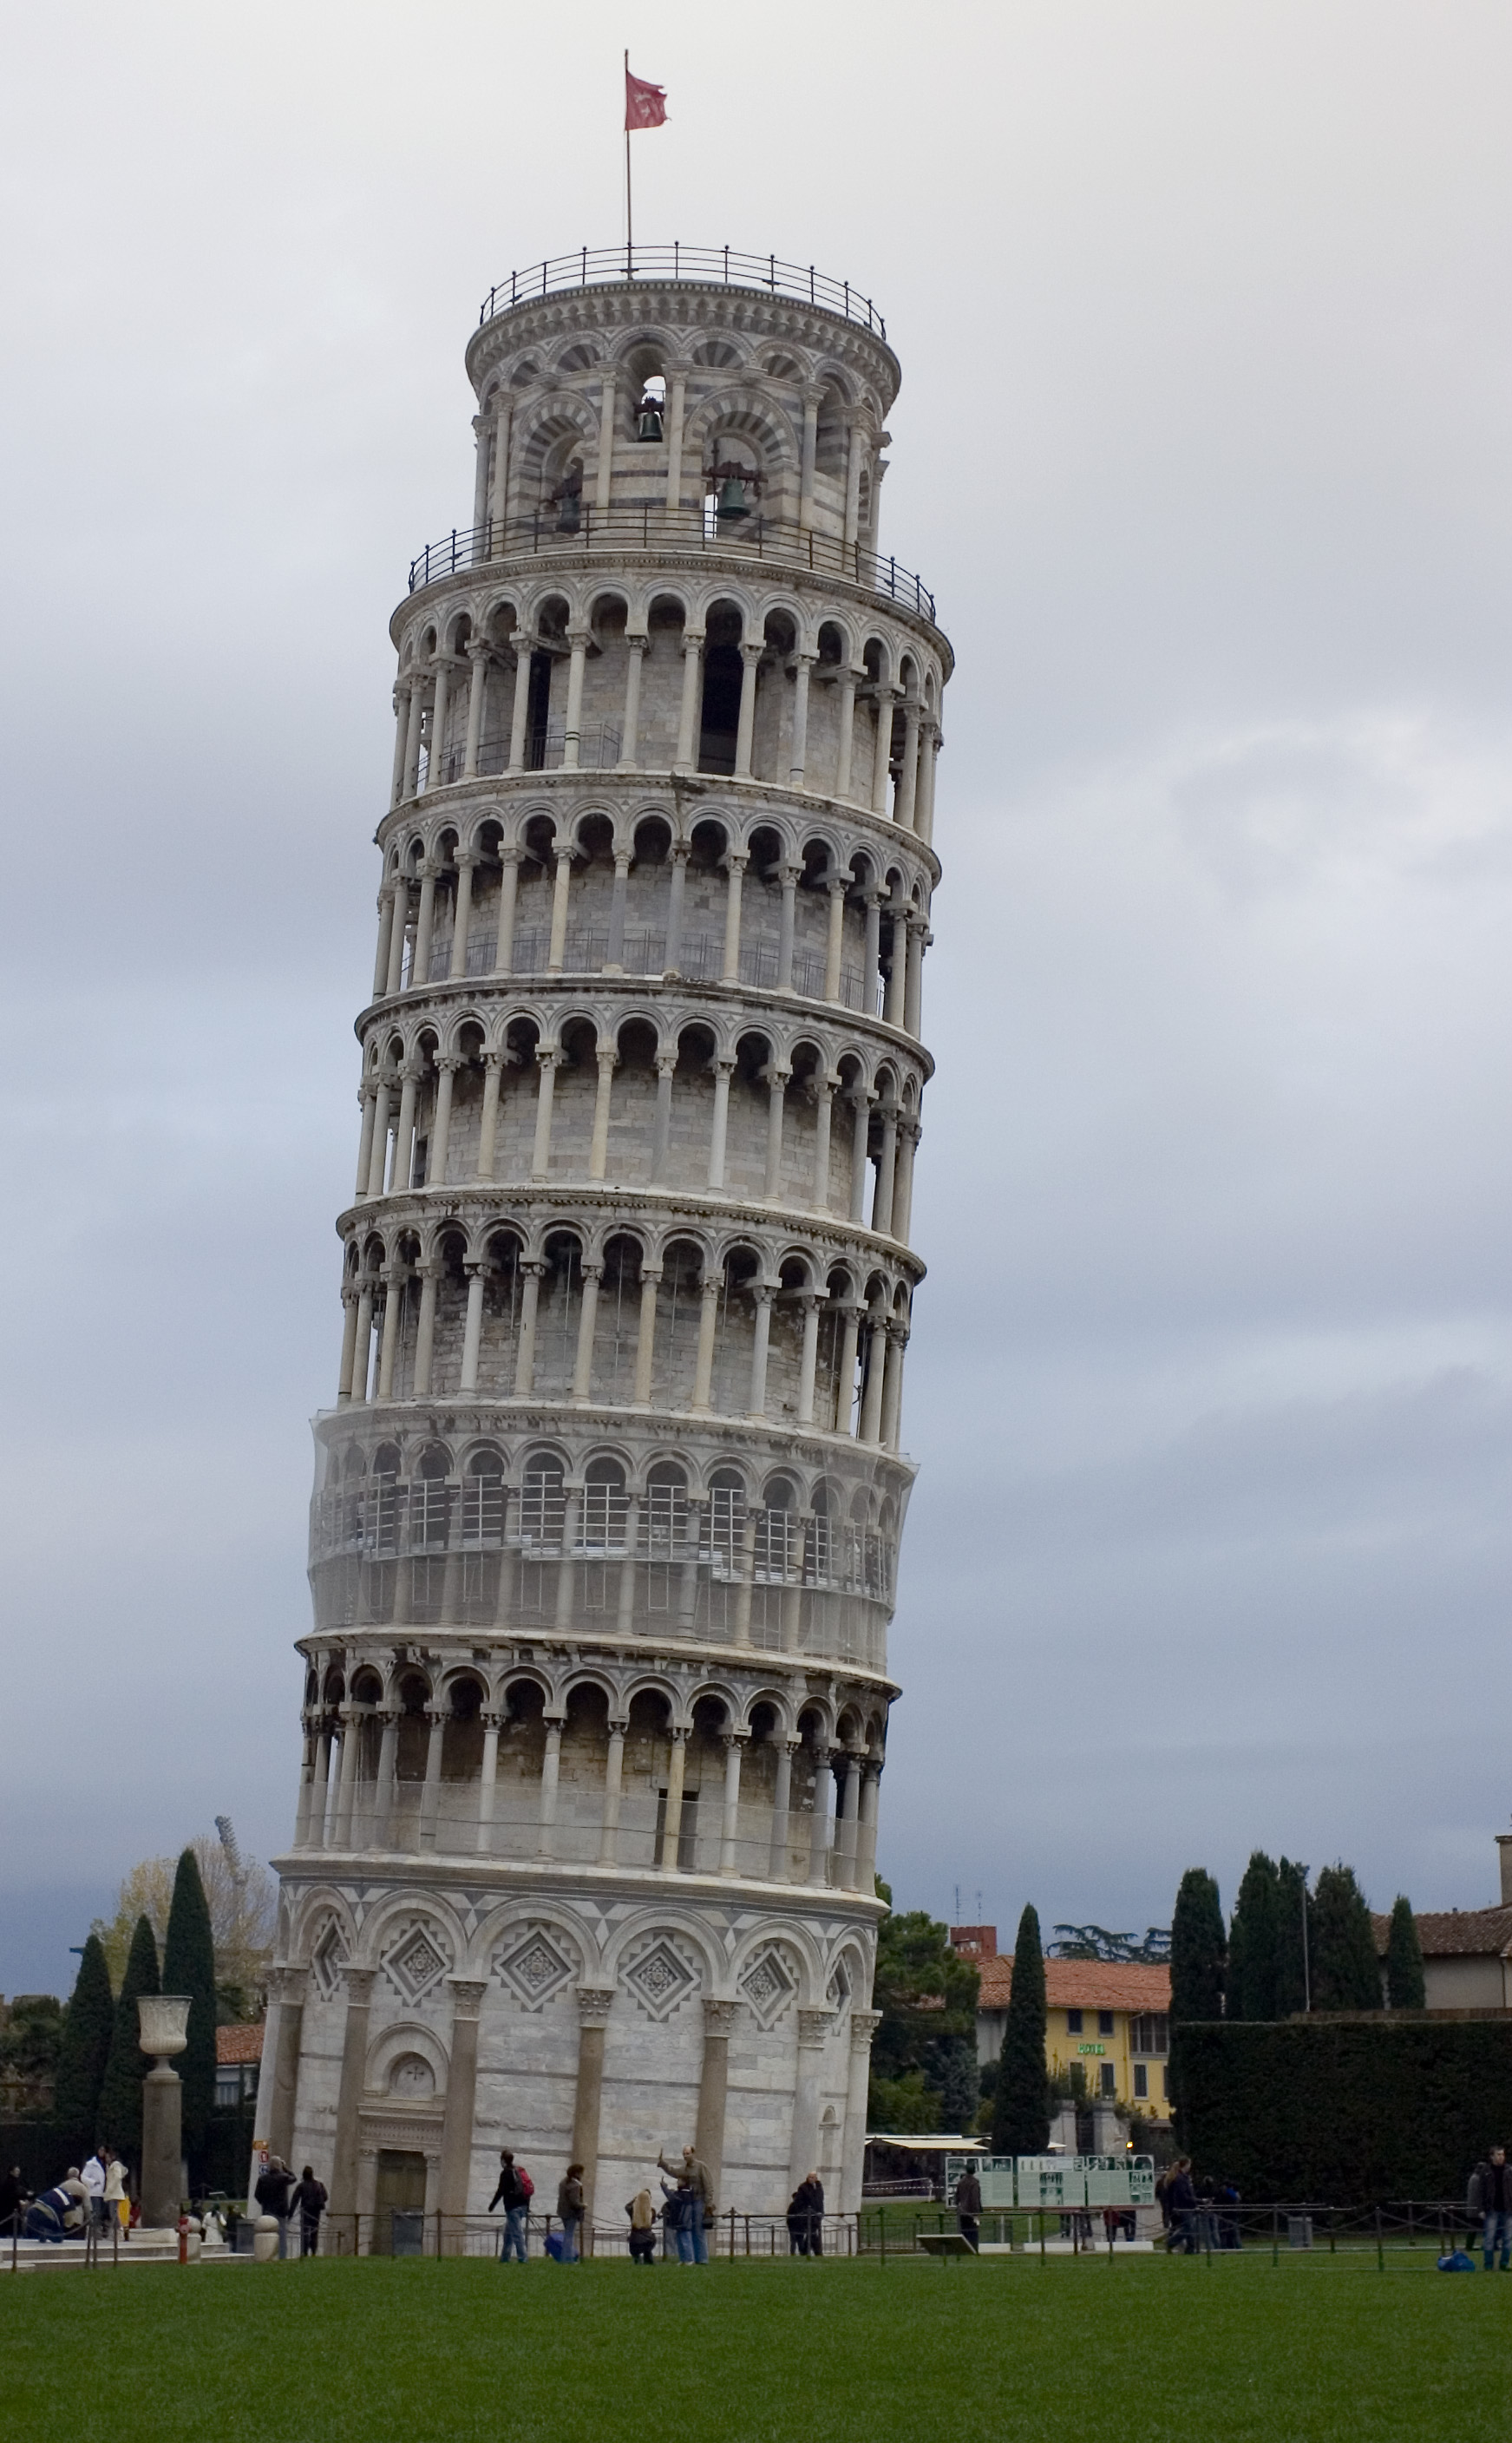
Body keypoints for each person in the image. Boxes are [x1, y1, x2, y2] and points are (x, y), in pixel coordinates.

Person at [658, 2145, 713, 2263]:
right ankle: (690, 2258)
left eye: (688, 2153)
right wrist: (663, 2164)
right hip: (689, 2202)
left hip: (699, 2201)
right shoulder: (685, 2169)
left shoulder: (701, 2167)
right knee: (689, 2229)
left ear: (693, 2153)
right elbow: (674, 2172)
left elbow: (709, 2186)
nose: (685, 2155)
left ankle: (702, 2259)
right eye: (684, 2153)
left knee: (698, 2230)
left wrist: (708, 2204)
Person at [1467, 2145, 1512, 2270]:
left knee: (1508, 2239)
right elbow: (1480, 2192)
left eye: (1502, 2154)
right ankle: (1488, 2265)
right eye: (1498, 2154)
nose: (1501, 2157)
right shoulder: (1485, 2172)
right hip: (1491, 2210)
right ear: (1492, 2156)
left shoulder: (1509, 2171)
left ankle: (1504, 2264)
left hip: (1508, 2210)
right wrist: (1480, 2209)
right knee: (1489, 2238)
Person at [488, 2149, 531, 2263]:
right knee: (508, 2234)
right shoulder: (518, 2170)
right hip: (522, 2205)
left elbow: (501, 2190)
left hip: (512, 2207)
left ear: (503, 2160)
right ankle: (505, 2258)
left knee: (517, 2233)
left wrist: (492, 2205)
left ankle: (523, 2258)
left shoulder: (506, 2173)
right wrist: (527, 2206)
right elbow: (527, 2188)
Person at [254, 2154, 298, 2259]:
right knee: (282, 2236)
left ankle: (265, 2256)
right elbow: (294, 2178)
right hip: (281, 2211)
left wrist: (263, 2203)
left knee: (266, 2235)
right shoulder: (283, 2177)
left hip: (267, 2210)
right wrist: (285, 2168)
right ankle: (282, 2256)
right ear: (279, 2165)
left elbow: (257, 2195)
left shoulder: (263, 2179)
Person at [24, 2176, 88, 2242]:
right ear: (76, 2204)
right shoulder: (70, 2204)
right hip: (45, 2214)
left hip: (33, 2209)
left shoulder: (60, 2190)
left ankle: (39, 2236)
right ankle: (46, 2233)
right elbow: (68, 2224)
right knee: (58, 2237)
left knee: (32, 2233)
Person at [1163, 2158, 1198, 2254]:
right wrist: (1195, 2200)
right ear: (1186, 2165)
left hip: (1182, 2207)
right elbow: (1183, 2195)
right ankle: (1171, 2242)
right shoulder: (1181, 2179)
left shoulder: (1180, 2178)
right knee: (1188, 2228)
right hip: (1184, 2207)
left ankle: (1190, 2248)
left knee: (1188, 2228)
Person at [291, 2165, 327, 2258]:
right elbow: (325, 2197)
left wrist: (290, 2213)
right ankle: (314, 2252)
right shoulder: (319, 2184)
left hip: (306, 2211)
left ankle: (304, 2252)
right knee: (314, 2232)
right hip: (316, 2211)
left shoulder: (301, 2185)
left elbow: (295, 2200)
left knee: (305, 2231)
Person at [789, 2172, 825, 2256]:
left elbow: (820, 2201)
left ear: (816, 2178)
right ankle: (817, 2252)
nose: (811, 2179)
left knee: (812, 2234)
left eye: (813, 2177)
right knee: (812, 2233)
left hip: (816, 2215)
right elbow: (799, 2202)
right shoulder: (803, 2188)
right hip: (807, 2215)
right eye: (810, 2177)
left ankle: (805, 2252)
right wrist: (805, 2211)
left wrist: (821, 2212)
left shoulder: (819, 2187)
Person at [660, 2175, 693, 2263]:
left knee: (685, 2241)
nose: (677, 2182)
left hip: (683, 2222)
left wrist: (664, 2188)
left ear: (684, 2182)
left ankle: (689, 2259)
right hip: (679, 2222)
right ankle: (682, 2259)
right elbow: (672, 2196)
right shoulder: (681, 2193)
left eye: (680, 2180)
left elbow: (672, 2197)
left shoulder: (686, 2195)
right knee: (680, 2242)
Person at [556, 2164, 586, 2263]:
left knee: (567, 2235)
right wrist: (583, 2205)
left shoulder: (563, 2182)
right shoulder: (575, 2185)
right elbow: (575, 2202)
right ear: (577, 2173)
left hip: (562, 2212)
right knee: (569, 2236)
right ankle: (567, 2259)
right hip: (571, 2213)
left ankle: (566, 2257)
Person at [953, 2165, 982, 2253]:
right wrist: (976, 2213)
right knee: (973, 2232)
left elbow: (956, 2198)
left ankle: (964, 2250)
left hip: (962, 2211)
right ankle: (973, 2250)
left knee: (964, 2232)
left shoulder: (961, 2182)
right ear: (974, 2171)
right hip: (971, 2212)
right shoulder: (974, 2183)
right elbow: (975, 2199)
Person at [625, 2186, 657, 2266]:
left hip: (635, 2241)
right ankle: (648, 2259)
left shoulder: (633, 2211)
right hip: (649, 2241)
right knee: (648, 2248)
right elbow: (652, 2222)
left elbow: (627, 2207)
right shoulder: (652, 2212)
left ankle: (637, 2260)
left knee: (634, 2245)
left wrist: (635, 2199)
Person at [102, 2152, 129, 2242]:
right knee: (112, 2213)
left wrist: (110, 2188)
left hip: (114, 2193)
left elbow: (117, 2177)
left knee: (113, 2214)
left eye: (107, 2157)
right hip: (112, 2193)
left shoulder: (115, 2165)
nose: (106, 2159)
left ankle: (119, 2233)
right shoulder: (111, 2166)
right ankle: (115, 2233)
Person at [81, 2146, 108, 2234]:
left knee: (102, 2214)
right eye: (100, 2150)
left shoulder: (106, 2164)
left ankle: (101, 2231)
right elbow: (83, 2177)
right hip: (95, 2192)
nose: (101, 2152)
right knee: (96, 2213)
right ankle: (94, 2233)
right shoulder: (91, 2164)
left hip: (104, 2193)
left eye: (103, 2150)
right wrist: (93, 2182)